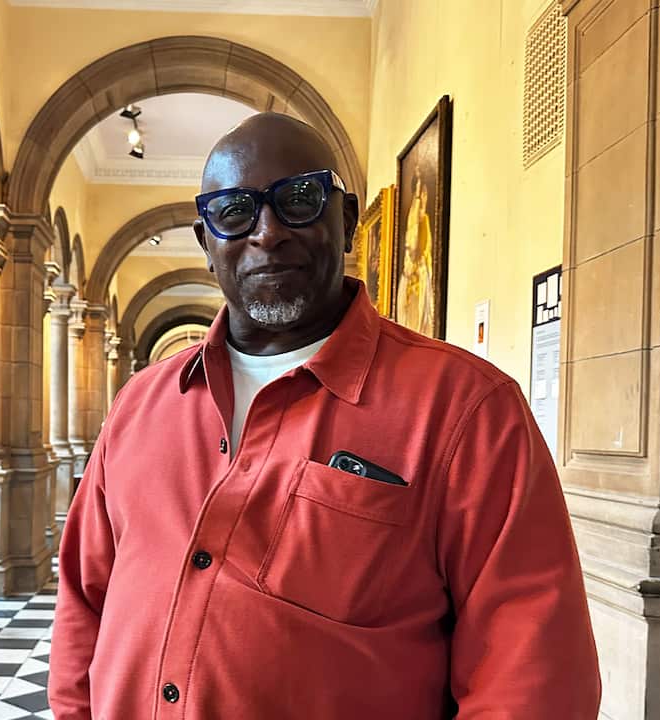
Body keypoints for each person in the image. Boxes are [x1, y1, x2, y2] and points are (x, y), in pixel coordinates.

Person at [49, 113, 601, 719]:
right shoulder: (139, 405)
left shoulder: (467, 412)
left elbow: (532, 680)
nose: (267, 232)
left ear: (348, 221)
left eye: (300, 199)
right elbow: (84, 604)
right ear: (207, 243)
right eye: (234, 210)